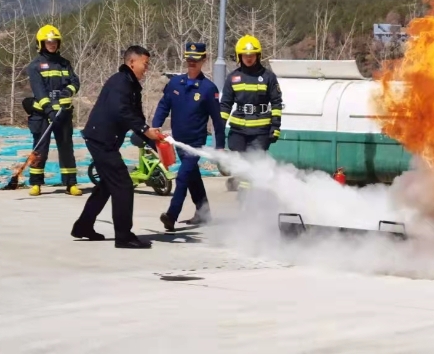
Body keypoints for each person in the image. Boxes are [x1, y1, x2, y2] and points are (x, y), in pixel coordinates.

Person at [71, 45, 160, 249]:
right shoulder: (120, 82)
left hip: (104, 139)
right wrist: (146, 129)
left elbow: (135, 117)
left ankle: (83, 226)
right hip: (101, 140)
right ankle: (124, 236)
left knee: (107, 186)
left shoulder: (131, 84)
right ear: (132, 62)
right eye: (144, 64)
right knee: (123, 185)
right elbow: (121, 111)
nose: (146, 69)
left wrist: (153, 139)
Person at [153, 42, 226, 231]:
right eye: (189, 59)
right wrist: (155, 125)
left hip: (195, 144)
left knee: (183, 177)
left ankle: (171, 215)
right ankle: (204, 213)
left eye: (196, 59)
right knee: (193, 177)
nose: (192, 62)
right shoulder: (176, 83)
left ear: (204, 60)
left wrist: (220, 146)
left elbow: (217, 120)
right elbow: (164, 105)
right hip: (178, 141)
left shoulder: (209, 89)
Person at [219, 34, 283, 193]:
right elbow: (225, 105)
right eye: (245, 55)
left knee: (253, 163)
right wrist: (219, 127)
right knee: (240, 163)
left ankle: (248, 197)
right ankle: (246, 188)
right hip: (238, 131)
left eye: (251, 55)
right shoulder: (233, 78)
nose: (248, 58)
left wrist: (275, 127)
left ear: (258, 55)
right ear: (239, 56)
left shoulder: (268, 77)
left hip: (260, 131)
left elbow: (276, 103)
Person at [25, 24, 82, 196]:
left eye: (55, 41)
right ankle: (36, 183)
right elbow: (39, 91)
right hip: (42, 114)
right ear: (41, 44)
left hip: (63, 113)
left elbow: (75, 82)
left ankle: (70, 183)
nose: (52, 44)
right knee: (40, 148)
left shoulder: (65, 64)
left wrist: (68, 91)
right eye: (48, 42)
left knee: (66, 148)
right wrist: (49, 110)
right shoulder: (35, 66)